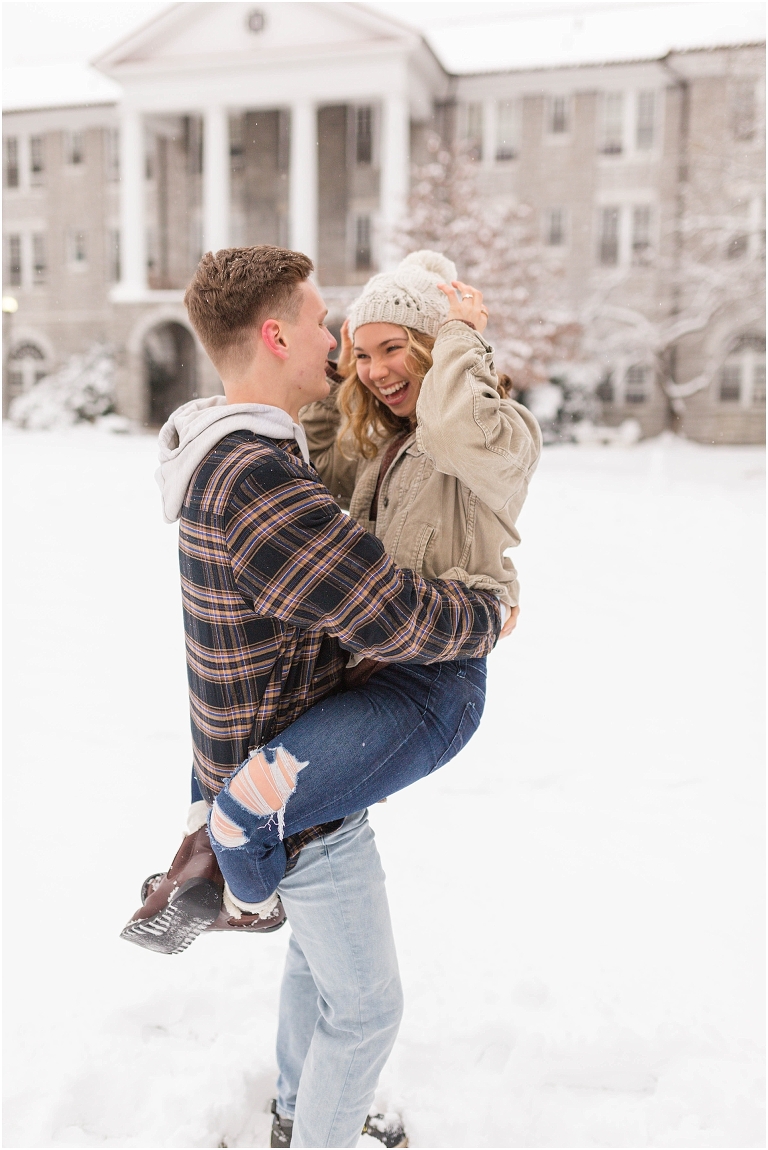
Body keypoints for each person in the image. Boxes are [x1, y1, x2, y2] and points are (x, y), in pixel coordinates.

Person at [121, 246, 512, 1149]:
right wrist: (488, 617)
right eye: (322, 320)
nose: (336, 338)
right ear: (275, 333)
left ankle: (301, 1114)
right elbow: (391, 615)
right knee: (369, 1010)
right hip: (295, 779)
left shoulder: (240, 452)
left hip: (286, 749)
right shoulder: (256, 479)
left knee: (319, 962)